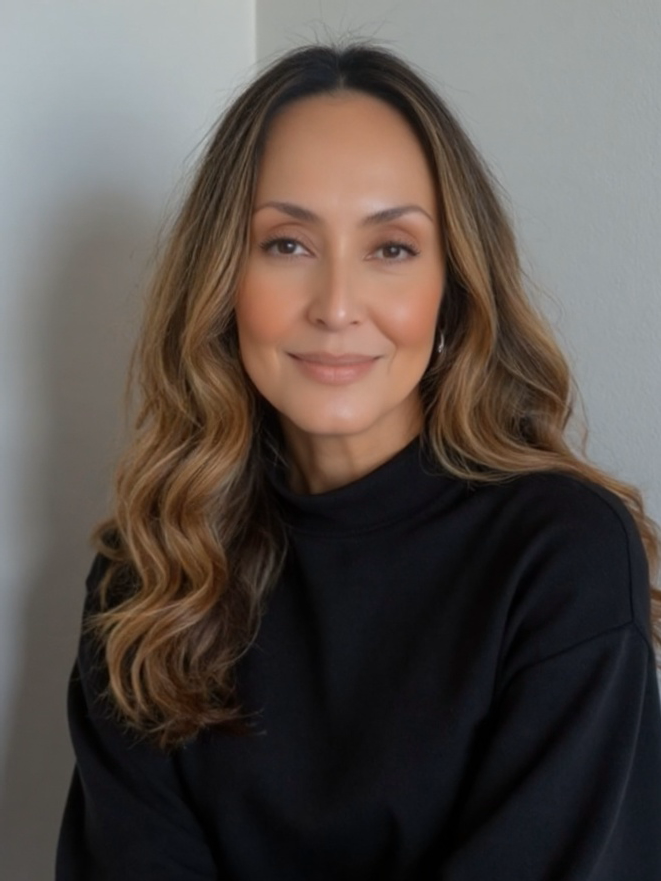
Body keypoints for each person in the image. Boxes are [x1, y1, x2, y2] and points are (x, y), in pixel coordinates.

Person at [56, 41, 661, 880]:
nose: (336, 306)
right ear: (221, 279)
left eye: (391, 248)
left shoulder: (559, 556)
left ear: (452, 286)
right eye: (287, 244)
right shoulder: (150, 572)